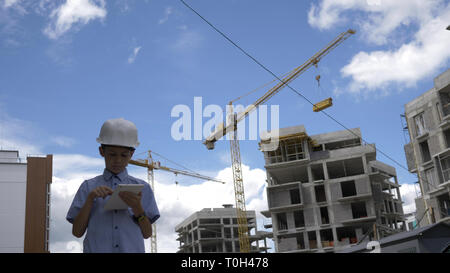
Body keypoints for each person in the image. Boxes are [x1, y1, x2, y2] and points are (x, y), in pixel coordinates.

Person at [66, 118, 160, 253]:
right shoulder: (88, 187)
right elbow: (77, 232)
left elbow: (147, 234)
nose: (118, 160)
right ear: (101, 151)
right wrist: (90, 199)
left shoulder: (143, 188)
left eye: (123, 155)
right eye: (112, 154)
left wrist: (137, 208)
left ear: (131, 154)